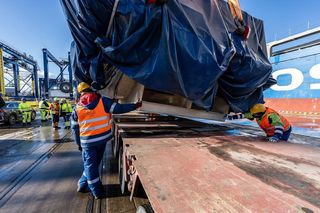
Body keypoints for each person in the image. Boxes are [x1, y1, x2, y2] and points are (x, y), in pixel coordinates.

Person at [71, 82, 142, 199]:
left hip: (88, 143)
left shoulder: (77, 108)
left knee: (91, 166)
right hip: (102, 140)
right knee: (92, 165)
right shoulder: (103, 101)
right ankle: (83, 184)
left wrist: (79, 144)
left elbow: (74, 128)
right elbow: (119, 108)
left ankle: (96, 192)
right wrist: (135, 105)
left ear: (81, 93)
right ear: (92, 89)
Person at [226, 103, 292, 143]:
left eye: (254, 115)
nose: (252, 116)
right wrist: (232, 117)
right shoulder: (257, 113)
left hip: (284, 130)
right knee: (269, 141)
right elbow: (245, 115)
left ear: (260, 113)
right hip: (270, 131)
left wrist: (276, 136)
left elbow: (279, 126)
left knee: (280, 142)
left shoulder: (271, 115)